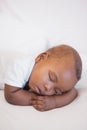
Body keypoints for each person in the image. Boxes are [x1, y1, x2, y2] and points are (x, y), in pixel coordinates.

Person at [4, 44, 82, 111]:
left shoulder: (46, 79)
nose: (48, 88)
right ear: (41, 58)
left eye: (56, 91)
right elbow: (11, 94)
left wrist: (54, 102)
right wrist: (38, 99)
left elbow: (73, 92)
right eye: (51, 78)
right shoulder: (20, 66)